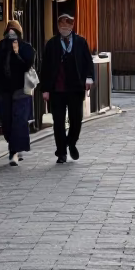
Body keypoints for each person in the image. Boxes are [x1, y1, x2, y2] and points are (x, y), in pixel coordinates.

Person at [40, 12, 94, 164]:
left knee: (76, 120)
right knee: (58, 122)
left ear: (72, 26)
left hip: (75, 89)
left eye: (67, 26)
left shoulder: (80, 42)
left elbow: (88, 62)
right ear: (58, 27)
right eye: (61, 26)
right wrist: (45, 89)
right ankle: (61, 152)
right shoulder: (51, 44)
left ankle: (71, 142)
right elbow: (45, 67)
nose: (64, 28)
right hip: (57, 90)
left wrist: (89, 79)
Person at [0, 19, 36, 166]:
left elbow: (26, 66)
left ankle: (14, 151)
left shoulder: (26, 48)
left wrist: (17, 53)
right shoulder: (0, 49)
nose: (11, 35)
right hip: (4, 90)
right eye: (9, 32)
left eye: (14, 32)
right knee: (6, 121)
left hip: (21, 89)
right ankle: (14, 145)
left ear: (19, 34)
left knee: (19, 120)